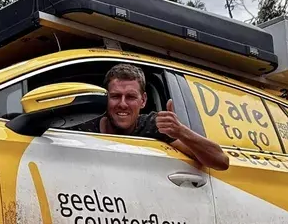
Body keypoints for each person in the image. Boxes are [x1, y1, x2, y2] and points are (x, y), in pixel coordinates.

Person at [69, 63, 230, 171]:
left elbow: (221, 161)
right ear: (106, 98)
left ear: (143, 100)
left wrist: (180, 131)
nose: (123, 104)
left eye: (131, 97)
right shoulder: (84, 127)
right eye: (116, 96)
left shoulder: (155, 125)